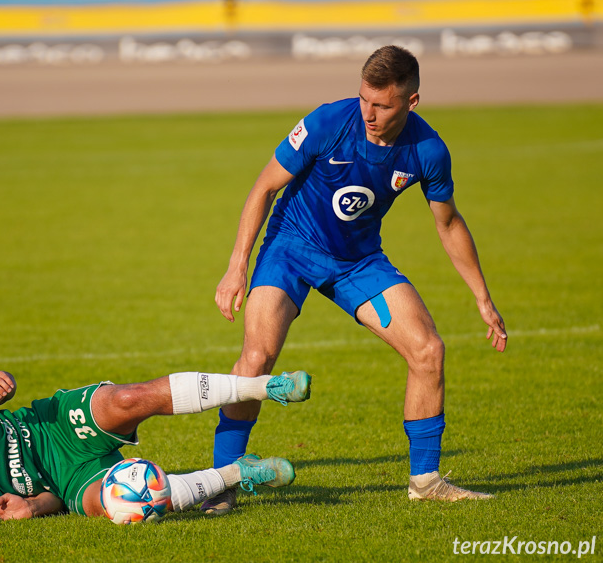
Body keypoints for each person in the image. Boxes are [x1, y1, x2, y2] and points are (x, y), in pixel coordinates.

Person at [203, 45, 507, 515]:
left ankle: (425, 482)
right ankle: (223, 481)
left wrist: (483, 298)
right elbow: (264, 187)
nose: (369, 112)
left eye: (383, 105)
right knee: (258, 356)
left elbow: (448, 223)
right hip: (291, 249)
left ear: (412, 101)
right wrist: (237, 264)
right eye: (365, 98)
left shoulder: (427, 150)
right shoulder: (329, 122)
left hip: (358, 261)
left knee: (428, 351)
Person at [0, 368, 311, 520]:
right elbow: (50, 500)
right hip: (69, 480)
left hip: (55, 426)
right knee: (123, 507)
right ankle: (239, 473)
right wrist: (32, 507)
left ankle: (263, 386)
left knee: (131, 398)